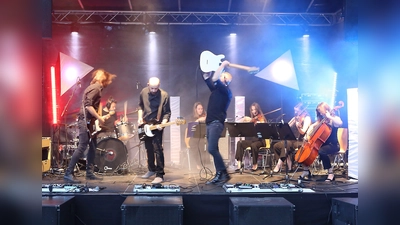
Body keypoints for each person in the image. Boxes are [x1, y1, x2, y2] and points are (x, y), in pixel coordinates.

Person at [64, 69, 116, 183]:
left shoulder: (94, 87)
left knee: (93, 146)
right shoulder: (96, 87)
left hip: (89, 122)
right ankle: (68, 173)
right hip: (85, 121)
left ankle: (89, 173)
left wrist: (99, 118)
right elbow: (88, 106)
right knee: (82, 146)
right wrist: (99, 117)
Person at [203, 60, 232, 185]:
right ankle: (219, 174)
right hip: (210, 123)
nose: (220, 76)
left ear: (225, 80)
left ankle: (224, 172)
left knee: (211, 149)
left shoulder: (225, 91)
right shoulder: (216, 90)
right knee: (214, 149)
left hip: (216, 123)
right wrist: (207, 68)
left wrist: (222, 65)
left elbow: (215, 77)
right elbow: (206, 76)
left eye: (222, 76)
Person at [138, 77, 171, 184]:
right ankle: (151, 169)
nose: (153, 91)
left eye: (156, 88)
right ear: (148, 85)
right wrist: (139, 118)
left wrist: (163, 122)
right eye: (151, 88)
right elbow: (140, 106)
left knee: (158, 149)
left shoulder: (164, 95)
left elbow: (167, 113)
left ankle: (160, 174)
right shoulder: (143, 92)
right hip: (146, 124)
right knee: (149, 149)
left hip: (157, 125)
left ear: (159, 85)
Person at [299, 102, 343, 181]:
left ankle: (330, 173)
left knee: (321, 151)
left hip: (333, 145)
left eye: (321, 111)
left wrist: (330, 116)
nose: (321, 114)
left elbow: (340, 122)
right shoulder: (322, 120)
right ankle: (306, 170)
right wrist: (307, 135)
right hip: (323, 144)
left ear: (326, 109)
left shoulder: (333, 118)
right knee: (307, 150)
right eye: (319, 112)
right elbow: (313, 126)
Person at [272, 102, 311, 173]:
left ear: (302, 111)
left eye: (297, 111)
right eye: (295, 111)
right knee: (276, 146)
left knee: (286, 144)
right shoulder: (295, 118)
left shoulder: (306, 118)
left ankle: (278, 165)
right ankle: (289, 164)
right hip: (292, 140)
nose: (296, 112)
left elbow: (303, 132)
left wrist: (298, 127)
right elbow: (288, 127)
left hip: (301, 141)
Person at [234, 102, 267, 172]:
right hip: (253, 140)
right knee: (240, 143)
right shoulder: (252, 119)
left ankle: (255, 164)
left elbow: (264, 126)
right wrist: (243, 120)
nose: (254, 111)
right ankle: (239, 164)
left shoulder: (261, 118)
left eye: (255, 109)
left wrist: (258, 123)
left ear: (257, 109)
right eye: (252, 110)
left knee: (253, 145)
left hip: (261, 141)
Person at [184, 102, 209, 170]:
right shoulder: (191, 118)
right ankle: (198, 164)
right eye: (199, 109)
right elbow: (189, 129)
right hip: (194, 138)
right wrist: (198, 120)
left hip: (202, 137)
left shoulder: (205, 117)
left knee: (204, 144)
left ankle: (204, 164)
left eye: (201, 109)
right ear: (196, 110)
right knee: (195, 145)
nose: (200, 110)